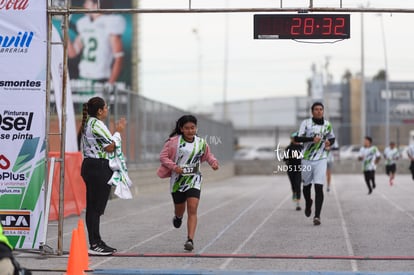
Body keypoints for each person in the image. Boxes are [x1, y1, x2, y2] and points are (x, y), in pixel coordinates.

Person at [157, 115, 219, 251]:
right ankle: (178, 217)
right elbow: (163, 157)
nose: (190, 131)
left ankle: (190, 239)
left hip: (194, 179)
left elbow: (208, 155)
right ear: (181, 129)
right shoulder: (173, 142)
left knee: (192, 208)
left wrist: (213, 162)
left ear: (196, 128)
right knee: (180, 209)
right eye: (187, 128)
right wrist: (174, 167)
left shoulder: (201, 142)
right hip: (178, 181)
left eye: (193, 128)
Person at [77, 96, 126, 255]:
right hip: (98, 167)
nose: (107, 110)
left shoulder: (90, 123)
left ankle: (96, 241)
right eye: (106, 108)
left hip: (92, 166)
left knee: (93, 207)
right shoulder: (96, 124)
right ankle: (95, 244)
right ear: (99, 111)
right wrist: (118, 132)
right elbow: (111, 147)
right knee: (96, 208)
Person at [294, 102, 335, 226]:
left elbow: (332, 138)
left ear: (323, 111)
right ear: (312, 112)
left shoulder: (327, 125)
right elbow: (297, 138)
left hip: (321, 158)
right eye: (316, 109)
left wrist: (329, 143)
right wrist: (312, 139)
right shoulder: (306, 123)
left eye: (321, 109)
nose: (318, 111)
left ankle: (317, 216)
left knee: (318, 187)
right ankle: (308, 202)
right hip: (306, 158)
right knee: (306, 186)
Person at [67, 0, 126, 86]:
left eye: (87, 3)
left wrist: (110, 83)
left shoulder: (110, 22)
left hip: (100, 79)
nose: (84, 5)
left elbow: (119, 58)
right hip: (83, 78)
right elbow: (72, 53)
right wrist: (65, 31)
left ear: (96, 5)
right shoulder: (84, 23)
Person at [284, 132, 303, 211]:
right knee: (293, 184)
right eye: (292, 138)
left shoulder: (302, 147)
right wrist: (291, 157)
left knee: (298, 184)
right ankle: (294, 193)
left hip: (299, 169)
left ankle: (298, 204)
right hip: (290, 169)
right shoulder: (288, 148)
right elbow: (285, 159)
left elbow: (305, 157)